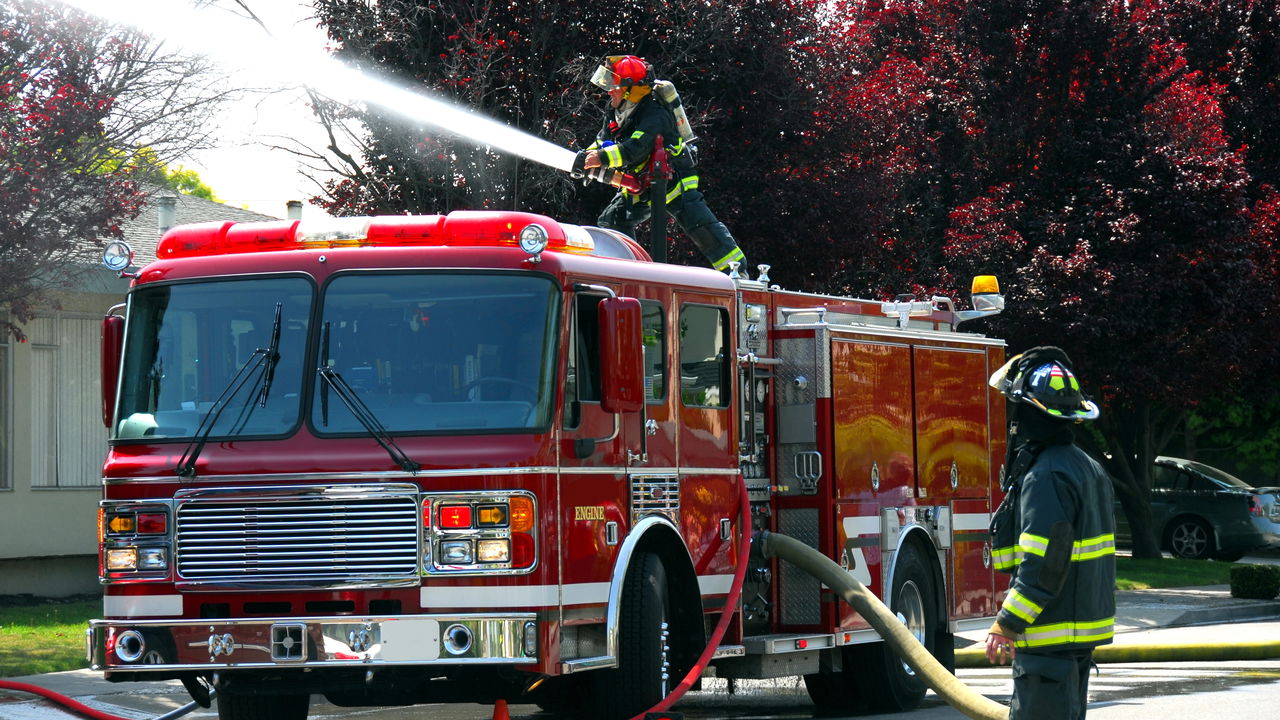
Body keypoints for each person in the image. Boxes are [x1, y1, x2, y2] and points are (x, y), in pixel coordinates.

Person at [985, 346, 1116, 720]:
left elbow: (1045, 564)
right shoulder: (1086, 467)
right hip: (1073, 637)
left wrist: (1007, 625)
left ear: (1026, 412)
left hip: (1050, 637)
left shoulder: (1046, 476)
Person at [573, 54, 749, 276]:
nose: (609, 91)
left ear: (631, 90)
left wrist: (601, 158)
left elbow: (635, 148)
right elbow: (602, 140)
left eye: (614, 86)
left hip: (675, 183)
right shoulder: (615, 110)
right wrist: (584, 157)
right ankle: (631, 273)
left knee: (702, 229)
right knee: (613, 220)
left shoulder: (655, 114)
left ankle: (737, 274)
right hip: (644, 183)